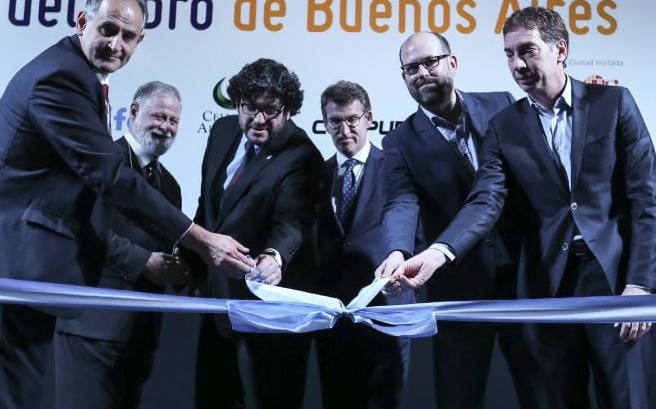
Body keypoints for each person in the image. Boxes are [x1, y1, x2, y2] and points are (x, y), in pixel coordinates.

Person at [0, 0, 251, 408]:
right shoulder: (61, 77)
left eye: (128, 37)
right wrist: (200, 238)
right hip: (7, 259)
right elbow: (109, 176)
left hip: (21, 263)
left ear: (140, 42)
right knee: (3, 400)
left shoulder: (83, 78)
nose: (116, 44)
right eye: (108, 29)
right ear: (82, 22)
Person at [393, 7, 656, 408]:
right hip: (545, 290)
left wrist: (639, 284)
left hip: (614, 283)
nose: (517, 64)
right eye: (508, 54)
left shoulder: (615, 103)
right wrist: (438, 252)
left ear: (560, 50)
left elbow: (645, 199)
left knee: (625, 401)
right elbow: (486, 199)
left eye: (527, 51)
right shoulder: (506, 125)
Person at [375, 31, 537, 408]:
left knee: (543, 391)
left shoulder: (502, 105)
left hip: (526, 278)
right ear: (403, 78)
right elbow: (400, 201)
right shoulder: (399, 141)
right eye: (411, 68)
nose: (422, 73)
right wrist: (398, 250)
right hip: (459, 287)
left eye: (430, 62)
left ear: (452, 62)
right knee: (458, 397)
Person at [193, 58, 323, 409]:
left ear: (289, 110)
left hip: (268, 313)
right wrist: (186, 257)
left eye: (271, 110)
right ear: (237, 103)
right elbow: (208, 209)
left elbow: (294, 219)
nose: (259, 119)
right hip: (215, 302)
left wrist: (275, 256)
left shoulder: (303, 154)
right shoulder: (222, 131)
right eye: (250, 107)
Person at [54, 81, 194, 408]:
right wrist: (143, 261)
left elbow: (170, 248)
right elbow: (81, 228)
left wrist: (185, 272)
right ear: (133, 111)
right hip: (90, 327)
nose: (166, 127)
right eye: (159, 116)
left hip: (140, 334)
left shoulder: (170, 185)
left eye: (173, 121)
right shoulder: (101, 161)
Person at [312, 81, 411, 409]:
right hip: (333, 316)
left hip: (386, 310)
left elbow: (415, 229)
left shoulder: (398, 168)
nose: (344, 129)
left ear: (369, 118)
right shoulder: (316, 175)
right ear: (325, 123)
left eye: (352, 119)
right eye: (335, 122)